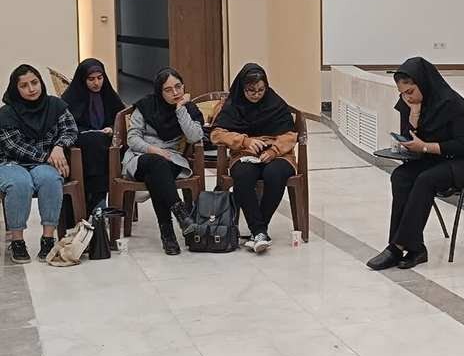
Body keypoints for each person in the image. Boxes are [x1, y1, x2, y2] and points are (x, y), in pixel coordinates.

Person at [366, 57, 464, 270]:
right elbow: (409, 137)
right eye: (402, 93)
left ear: (423, 83)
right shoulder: (409, 104)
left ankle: (396, 247)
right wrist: (414, 115)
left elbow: (463, 145)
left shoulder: (450, 103)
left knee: (425, 180)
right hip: (431, 160)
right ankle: (416, 248)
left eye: (410, 91)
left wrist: (425, 147)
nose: (406, 97)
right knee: (400, 176)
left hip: (460, 164)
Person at [211, 63, 296, 253]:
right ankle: (259, 231)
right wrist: (244, 141)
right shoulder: (232, 105)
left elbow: (290, 135)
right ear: (242, 88)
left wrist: (274, 151)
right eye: (251, 90)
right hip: (245, 152)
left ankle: (258, 231)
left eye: (261, 90)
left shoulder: (275, 103)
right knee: (243, 175)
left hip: (278, 153)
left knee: (275, 173)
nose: (256, 95)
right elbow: (216, 134)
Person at [0, 65, 78, 263]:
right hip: (11, 162)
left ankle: (48, 239)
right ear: (16, 89)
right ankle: (17, 241)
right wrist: (48, 156)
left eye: (34, 82)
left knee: (50, 179)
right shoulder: (6, 113)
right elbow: (14, 146)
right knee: (20, 183)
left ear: (41, 82)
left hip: (45, 162)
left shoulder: (55, 105)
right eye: (24, 85)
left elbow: (70, 129)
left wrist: (59, 147)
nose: (31, 89)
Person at [123, 67, 204, 255]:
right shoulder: (145, 106)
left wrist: (180, 109)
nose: (175, 92)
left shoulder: (189, 109)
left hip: (170, 159)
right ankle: (181, 215)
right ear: (160, 92)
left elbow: (194, 137)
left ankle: (168, 234)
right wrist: (154, 150)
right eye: (168, 90)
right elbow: (132, 139)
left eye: (178, 87)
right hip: (141, 157)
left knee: (156, 175)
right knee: (156, 164)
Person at [61, 58, 125, 213]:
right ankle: (98, 201)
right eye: (91, 79)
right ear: (83, 79)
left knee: (99, 143)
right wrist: (88, 132)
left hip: (108, 143)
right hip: (81, 144)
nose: (97, 83)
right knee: (94, 142)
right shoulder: (71, 98)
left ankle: (97, 202)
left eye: (100, 78)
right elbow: (67, 126)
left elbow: (120, 120)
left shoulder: (109, 95)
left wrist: (111, 128)